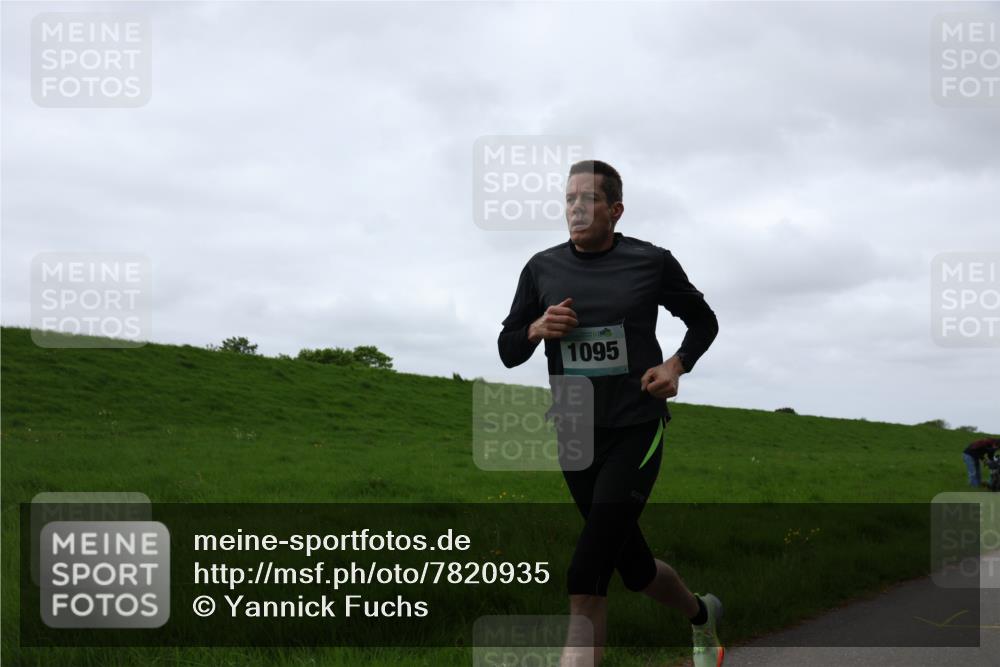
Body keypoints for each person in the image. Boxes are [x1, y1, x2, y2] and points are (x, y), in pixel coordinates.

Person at [498, 160, 722, 667]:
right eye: (569, 198)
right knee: (636, 570)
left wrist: (676, 365)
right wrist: (536, 328)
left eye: (588, 199)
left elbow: (703, 322)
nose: (575, 208)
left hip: (635, 429)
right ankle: (702, 617)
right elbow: (508, 348)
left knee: (585, 578)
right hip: (574, 434)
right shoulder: (541, 268)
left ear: (615, 210)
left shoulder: (651, 262)